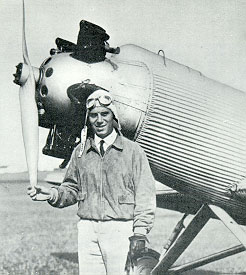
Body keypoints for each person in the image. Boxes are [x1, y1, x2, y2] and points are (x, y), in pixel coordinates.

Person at [27, 88, 156, 275]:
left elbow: (145, 194)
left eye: (105, 114)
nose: (100, 120)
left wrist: (140, 232)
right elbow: (71, 188)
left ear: (114, 117)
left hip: (121, 230)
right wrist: (53, 194)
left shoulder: (133, 151)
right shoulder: (80, 152)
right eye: (94, 115)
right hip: (87, 230)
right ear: (88, 118)